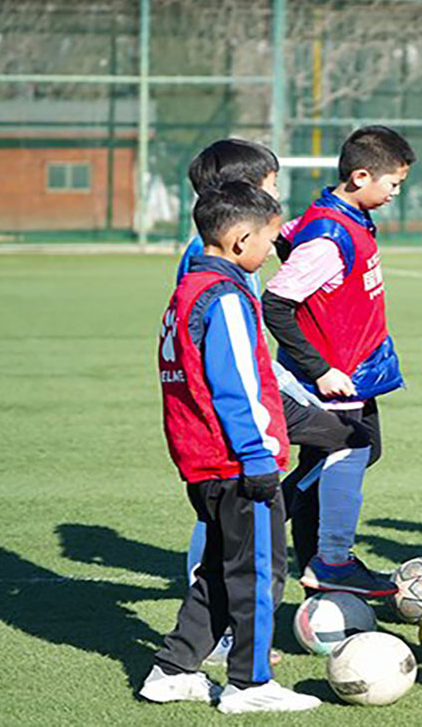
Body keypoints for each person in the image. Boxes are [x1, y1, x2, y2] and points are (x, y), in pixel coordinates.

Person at [140, 182, 319, 714]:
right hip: (237, 463)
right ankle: (250, 683)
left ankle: (173, 670)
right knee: (259, 574)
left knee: (219, 569)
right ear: (241, 239)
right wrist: (259, 458)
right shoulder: (226, 298)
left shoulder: (187, 290)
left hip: (201, 460)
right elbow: (236, 385)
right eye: (269, 238)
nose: (273, 248)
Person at [262, 125, 413, 595]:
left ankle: (306, 553)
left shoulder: (346, 215)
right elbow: (276, 304)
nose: (396, 193)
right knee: (347, 451)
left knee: (349, 454)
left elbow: (288, 238)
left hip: (357, 369)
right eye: (393, 183)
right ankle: (327, 558)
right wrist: (320, 370)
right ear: (361, 176)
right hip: (333, 376)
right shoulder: (329, 237)